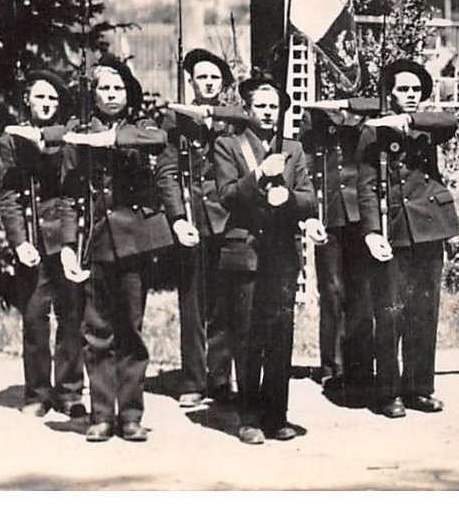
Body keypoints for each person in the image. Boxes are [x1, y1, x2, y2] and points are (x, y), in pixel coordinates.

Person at [65, 57, 199, 443]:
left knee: (131, 331)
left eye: (118, 88)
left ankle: (131, 414)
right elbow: (70, 193)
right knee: (96, 332)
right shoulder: (79, 132)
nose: (111, 95)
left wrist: (108, 139)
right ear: (93, 93)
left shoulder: (140, 127)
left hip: (134, 244)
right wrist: (67, 246)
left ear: (129, 93)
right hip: (95, 240)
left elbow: (158, 141)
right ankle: (102, 414)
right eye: (104, 88)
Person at [212, 77, 324, 444]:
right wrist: (259, 174)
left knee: (280, 336)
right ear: (246, 110)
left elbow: (309, 199)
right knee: (246, 337)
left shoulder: (293, 148)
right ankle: (248, 417)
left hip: (281, 256)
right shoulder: (228, 145)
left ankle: (277, 415)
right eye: (260, 106)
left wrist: (287, 198)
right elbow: (227, 195)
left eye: (274, 106)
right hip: (244, 252)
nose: (267, 112)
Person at [357, 60, 459, 418]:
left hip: (430, 228)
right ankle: (389, 392)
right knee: (390, 312)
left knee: (424, 311)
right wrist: (370, 231)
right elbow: (367, 187)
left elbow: (452, 122)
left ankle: (420, 388)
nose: (411, 96)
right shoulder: (373, 132)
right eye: (403, 90)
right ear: (390, 92)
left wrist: (408, 121)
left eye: (416, 90)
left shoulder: (425, 125)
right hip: (394, 229)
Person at [160, 48, 253, 407]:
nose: (208, 83)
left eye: (215, 78)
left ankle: (219, 379)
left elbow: (251, 121)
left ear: (223, 84)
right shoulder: (175, 122)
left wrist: (212, 116)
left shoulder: (234, 121)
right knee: (193, 303)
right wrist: (178, 218)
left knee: (226, 302)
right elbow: (167, 174)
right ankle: (194, 380)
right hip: (193, 219)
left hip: (229, 218)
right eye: (202, 77)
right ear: (191, 82)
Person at [0, 67, 87, 419]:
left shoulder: (68, 136)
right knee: (35, 317)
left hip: (65, 236)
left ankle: (69, 392)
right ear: (27, 99)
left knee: (72, 316)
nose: (47, 103)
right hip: (32, 241)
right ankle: (37, 393)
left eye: (53, 98)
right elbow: (8, 197)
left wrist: (69, 241)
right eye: (40, 96)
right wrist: (19, 241)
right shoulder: (10, 140)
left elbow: (71, 193)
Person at [299, 94, 380, 406]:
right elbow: (306, 161)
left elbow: (376, 106)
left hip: (362, 213)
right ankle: (332, 365)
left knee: (363, 291)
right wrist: (308, 213)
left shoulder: (366, 105)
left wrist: (347, 105)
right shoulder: (315, 114)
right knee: (332, 290)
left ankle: (361, 365)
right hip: (329, 212)